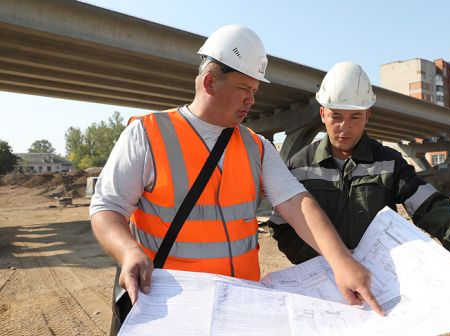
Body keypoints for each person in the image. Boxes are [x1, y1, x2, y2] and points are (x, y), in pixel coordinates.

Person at [90, 26, 383, 333]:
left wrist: (340, 262)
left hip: (239, 311)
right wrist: (128, 251)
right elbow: (107, 209)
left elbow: (298, 203)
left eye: (255, 91)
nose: (251, 100)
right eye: (245, 88)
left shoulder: (256, 147)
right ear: (210, 82)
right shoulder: (148, 134)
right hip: (172, 312)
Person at [268, 61, 450, 286]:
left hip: (378, 280)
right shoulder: (300, 165)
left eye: (354, 117)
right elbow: (282, 225)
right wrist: (328, 262)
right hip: (323, 281)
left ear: (368, 115)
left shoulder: (388, 162)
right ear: (322, 114)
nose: (344, 127)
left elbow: (430, 207)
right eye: (336, 116)